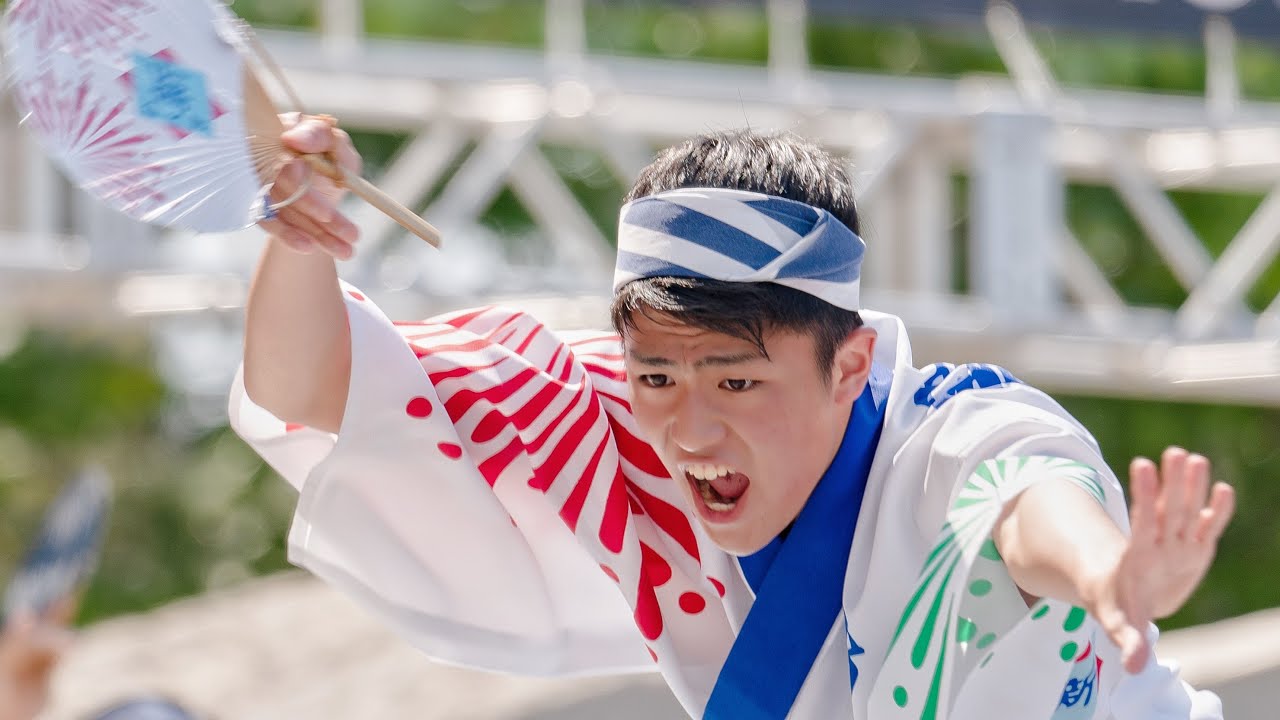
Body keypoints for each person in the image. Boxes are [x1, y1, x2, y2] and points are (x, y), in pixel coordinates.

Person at [231, 114, 1236, 719]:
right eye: (657, 375)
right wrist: (300, 242)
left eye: (737, 381)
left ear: (847, 364)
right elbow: (308, 385)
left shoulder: (946, 437)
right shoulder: (616, 422)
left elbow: (1023, 498)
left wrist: (1108, 573)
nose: (689, 430)